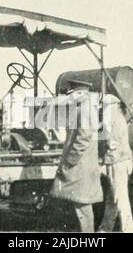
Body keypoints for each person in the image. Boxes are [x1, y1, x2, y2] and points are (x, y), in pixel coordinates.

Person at [49, 79, 103, 232]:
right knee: (79, 203)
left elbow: (83, 138)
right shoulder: (83, 108)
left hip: (80, 165)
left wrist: (70, 161)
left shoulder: (85, 109)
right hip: (82, 163)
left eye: (71, 94)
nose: (70, 97)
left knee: (82, 204)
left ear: (80, 93)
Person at [98, 94, 133, 232]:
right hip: (121, 161)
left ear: (113, 105)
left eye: (105, 106)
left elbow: (111, 144)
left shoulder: (113, 119)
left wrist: (103, 162)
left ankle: (128, 230)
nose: (103, 109)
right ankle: (105, 229)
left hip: (116, 162)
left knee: (120, 199)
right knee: (113, 198)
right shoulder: (119, 118)